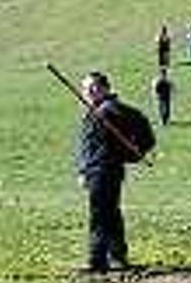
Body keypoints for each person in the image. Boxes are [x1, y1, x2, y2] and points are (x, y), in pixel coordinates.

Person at [75, 72, 130, 273]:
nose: (88, 92)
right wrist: (83, 169)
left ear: (105, 88)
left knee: (99, 215)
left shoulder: (111, 110)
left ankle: (97, 260)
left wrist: (132, 154)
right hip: (99, 170)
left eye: (93, 88)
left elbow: (138, 135)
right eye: (86, 89)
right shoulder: (95, 110)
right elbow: (87, 145)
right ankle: (118, 255)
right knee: (111, 214)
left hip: (105, 170)